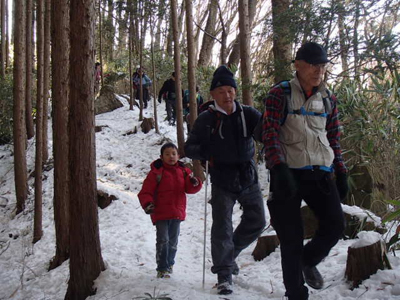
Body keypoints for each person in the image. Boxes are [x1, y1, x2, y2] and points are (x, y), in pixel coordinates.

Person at [261, 42, 348, 300]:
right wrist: (278, 167)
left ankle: (308, 261)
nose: (318, 71)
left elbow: (333, 137)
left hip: (319, 173)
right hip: (287, 174)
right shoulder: (281, 94)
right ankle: (296, 294)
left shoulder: (328, 98)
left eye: (322, 66)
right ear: (298, 65)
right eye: (313, 65)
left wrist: (341, 171)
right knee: (291, 239)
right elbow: (270, 133)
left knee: (335, 225)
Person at [184, 65, 266, 295]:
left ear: (235, 92)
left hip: (248, 177)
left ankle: (230, 256)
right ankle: (224, 276)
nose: (227, 95)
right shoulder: (205, 120)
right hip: (221, 179)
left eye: (231, 90)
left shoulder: (248, 114)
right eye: (221, 91)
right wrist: (205, 151)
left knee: (257, 221)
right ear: (213, 95)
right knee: (222, 227)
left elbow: (264, 133)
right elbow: (188, 147)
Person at [138, 142, 202, 279]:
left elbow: (189, 189)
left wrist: (195, 183)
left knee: (173, 241)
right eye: (167, 154)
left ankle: (170, 264)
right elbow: (145, 191)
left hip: (177, 213)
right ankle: (162, 267)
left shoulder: (184, 171)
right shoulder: (156, 172)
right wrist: (148, 204)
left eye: (173, 154)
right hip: (160, 213)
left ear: (178, 156)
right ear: (161, 157)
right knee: (163, 240)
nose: (171, 157)